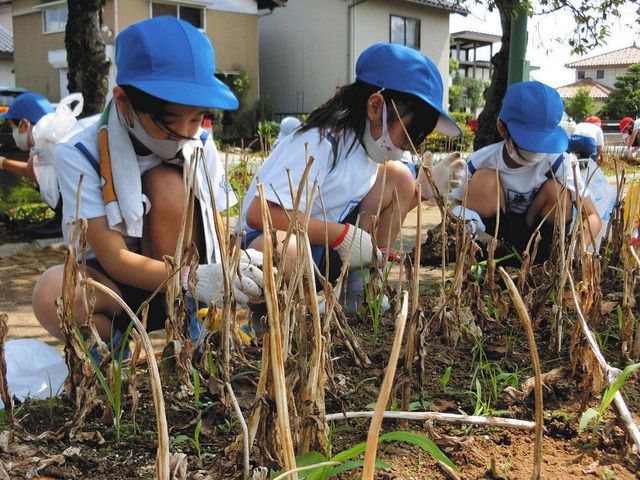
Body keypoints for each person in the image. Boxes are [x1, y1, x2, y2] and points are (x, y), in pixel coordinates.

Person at [32, 16, 266, 345]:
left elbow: (212, 222)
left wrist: (228, 266)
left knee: (166, 183)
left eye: (197, 117)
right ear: (124, 101)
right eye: (169, 121)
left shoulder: (199, 142)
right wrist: (190, 278)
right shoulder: (79, 153)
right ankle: (114, 353)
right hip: (124, 287)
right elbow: (114, 257)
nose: (185, 133)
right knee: (52, 292)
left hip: (190, 287)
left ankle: (193, 327)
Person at [239, 43, 463, 310]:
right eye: (410, 134)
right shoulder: (320, 141)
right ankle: (280, 316)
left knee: (401, 178)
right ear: (375, 106)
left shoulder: (372, 147)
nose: (410, 146)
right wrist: (340, 235)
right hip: (267, 245)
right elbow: (259, 213)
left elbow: (393, 203)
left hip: (322, 247)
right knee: (284, 249)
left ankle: (359, 290)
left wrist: (423, 192)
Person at [450, 81, 602, 261]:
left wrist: (577, 247)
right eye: (529, 143)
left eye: (543, 143)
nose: (537, 152)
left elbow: (592, 216)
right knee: (484, 179)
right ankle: (490, 259)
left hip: (536, 232)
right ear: (502, 129)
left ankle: (545, 259)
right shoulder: (480, 162)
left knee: (558, 191)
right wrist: (469, 222)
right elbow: (455, 206)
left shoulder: (559, 162)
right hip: (496, 235)